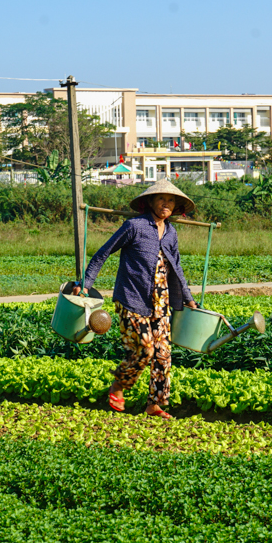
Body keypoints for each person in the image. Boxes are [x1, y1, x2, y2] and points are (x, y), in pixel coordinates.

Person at [73, 178, 198, 419]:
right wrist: (86, 284)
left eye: (170, 200)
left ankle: (155, 405)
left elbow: (177, 267)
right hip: (132, 299)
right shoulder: (134, 226)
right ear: (149, 201)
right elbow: (103, 253)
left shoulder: (171, 232)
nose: (166, 203)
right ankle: (118, 386)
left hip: (161, 302)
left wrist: (188, 298)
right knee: (146, 349)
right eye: (161, 198)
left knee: (163, 354)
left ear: (175, 206)